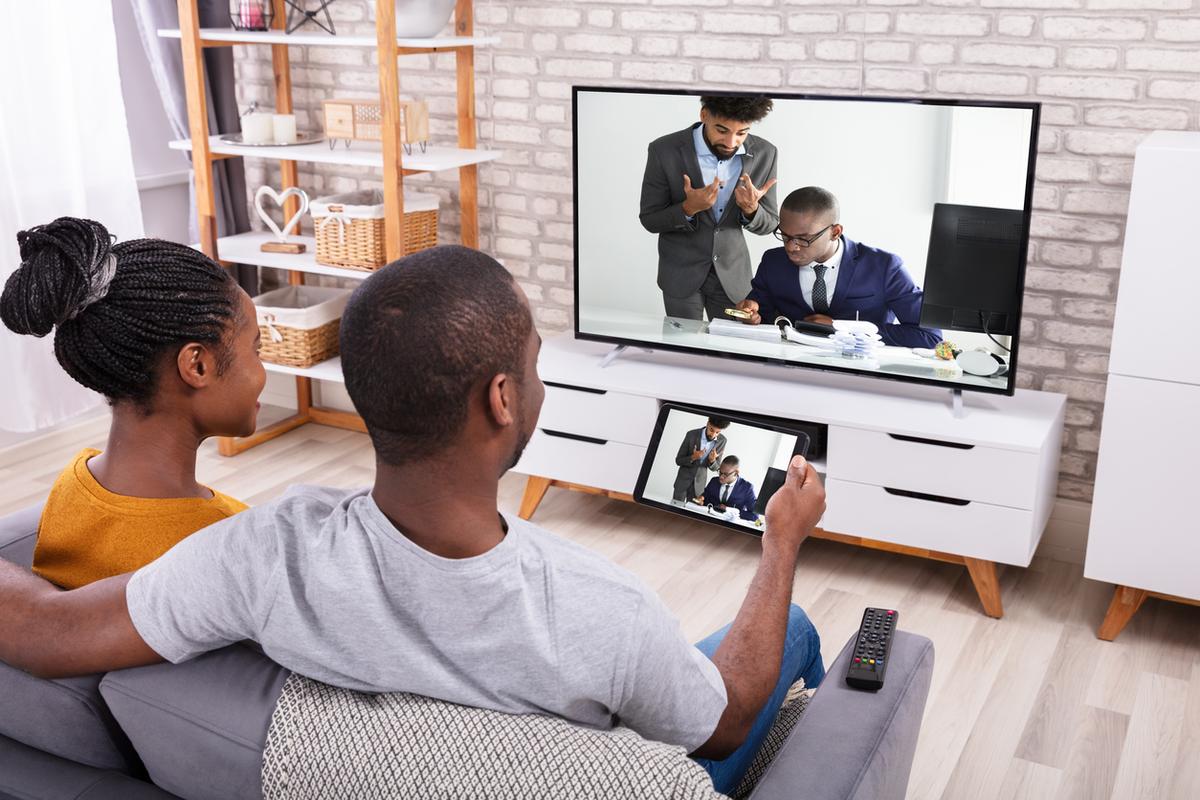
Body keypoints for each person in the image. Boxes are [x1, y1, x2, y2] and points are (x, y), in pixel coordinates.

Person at [0, 245, 826, 796]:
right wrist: (780, 539)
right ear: (502, 401)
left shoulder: (253, 555)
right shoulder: (607, 610)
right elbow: (721, 726)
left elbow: (40, 628)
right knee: (788, 629)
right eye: (532, 366)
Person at [0, 217, 263, 589]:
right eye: (256, 349)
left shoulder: (72, 485)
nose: (261, 370)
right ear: (197, 365)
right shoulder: (228, 539)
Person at [735, 187, 942, 348]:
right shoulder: (773, 262)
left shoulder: (884, 267)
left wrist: (846, 330)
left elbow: (930, 336)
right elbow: (760, 314)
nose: (791, 247)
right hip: (789, 373)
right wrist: (750, 314)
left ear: (835, 232)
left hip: (861, 378)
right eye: (785, 236)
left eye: (804, 239)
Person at [640, 95, 779, 322]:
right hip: (680, 275)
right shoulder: (663, 150)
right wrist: (688, 208)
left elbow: (770, 223)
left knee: (730, 349)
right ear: (704, 115)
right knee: (684, 349)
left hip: (733, 277)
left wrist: (751, 210)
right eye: (722, 130)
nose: (731, 142)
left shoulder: (765, 153)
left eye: (742, 133)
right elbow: (650, 219)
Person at [672, 416, 728, 504]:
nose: (713, 435)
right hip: (682, 482)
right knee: (675, 509)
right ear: (708, 423)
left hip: (699, 486)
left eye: (717, 432)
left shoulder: (722, 441)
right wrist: (693, 457)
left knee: (691, 513)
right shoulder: (691, 434)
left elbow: (716, 468)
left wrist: (712, 461)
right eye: (711, 430)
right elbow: (678, 460)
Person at [697, 456, 758, 521]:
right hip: (709, 520)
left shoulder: (747, 488)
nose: (721, 477)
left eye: (725, 474)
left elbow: (754, 516)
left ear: (736, 473)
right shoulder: (714, 481)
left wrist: (729, 510)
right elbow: (704, 499)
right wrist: (700, 500)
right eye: (720, 472)